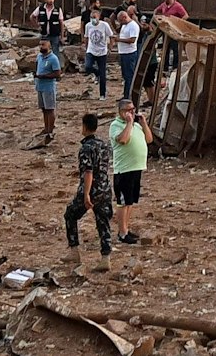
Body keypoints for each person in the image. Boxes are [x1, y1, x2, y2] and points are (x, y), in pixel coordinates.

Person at [63, 113, 113, 264]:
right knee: (103, 222)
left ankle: (74, 250)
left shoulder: (86, 148)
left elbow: (88, 172)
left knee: (70, 215)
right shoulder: (103, 145)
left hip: (91, 189)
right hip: (104, 188)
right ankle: (106, 258)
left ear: (84, 127)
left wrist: (85, 195)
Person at [109, 98, 152, 245]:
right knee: (122, 202)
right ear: (121, 112)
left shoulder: (136, 125)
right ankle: (122, 232)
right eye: (128, 110)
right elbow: (123, 140)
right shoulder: (116, 125)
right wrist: (128, 123)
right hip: (124, 169)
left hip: (136, 167)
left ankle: (126, 228)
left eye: (133, 109)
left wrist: (143, 123)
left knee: (130, 201)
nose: (131, 112)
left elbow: (149, 139)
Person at [31, 40, 62, 149]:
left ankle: (50, 130)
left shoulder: (53, 58)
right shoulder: (39, 56)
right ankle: (46, 128)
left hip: (48, 87)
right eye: (40, 44)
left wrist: (44, 76)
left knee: (50, 109)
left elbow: (58, 73)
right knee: (44, 108)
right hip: (40, 86)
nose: (41, 46)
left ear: (49, 45)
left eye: (43, 44)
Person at [83, 6, 112, 98]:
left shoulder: (104, 25)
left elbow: (111, 36)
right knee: (88, 67)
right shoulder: (88, 25)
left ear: (99, 17)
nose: (93, 19)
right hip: (91, 50)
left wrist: (110, 48)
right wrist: (86, 48)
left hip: (102, 51)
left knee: (103, 75)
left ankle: (102, 94)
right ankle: (97, 73)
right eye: (91, 17)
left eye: (94, 17)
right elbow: (87, 37)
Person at [154, 0, 188, 70]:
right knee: (165, 48)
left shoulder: (178, 6)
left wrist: (178, 23)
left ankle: (175, 66)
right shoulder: (164, 5)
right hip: (165, 29)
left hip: (173, 30)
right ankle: (165, 66)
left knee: (175, 48)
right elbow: (156, 10)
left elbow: (186, 15)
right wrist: (155, 17)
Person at [114, 8, 142, 98]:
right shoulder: (124, 25)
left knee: (129, 75)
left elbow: (132, 40)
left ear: (124, 17)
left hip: (129, 53)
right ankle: (126, 94)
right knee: (125, 75)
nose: (121, 23)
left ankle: (129, 95)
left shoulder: (133, 26)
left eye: (121, 21)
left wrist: (119, 40)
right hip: (123, 52)